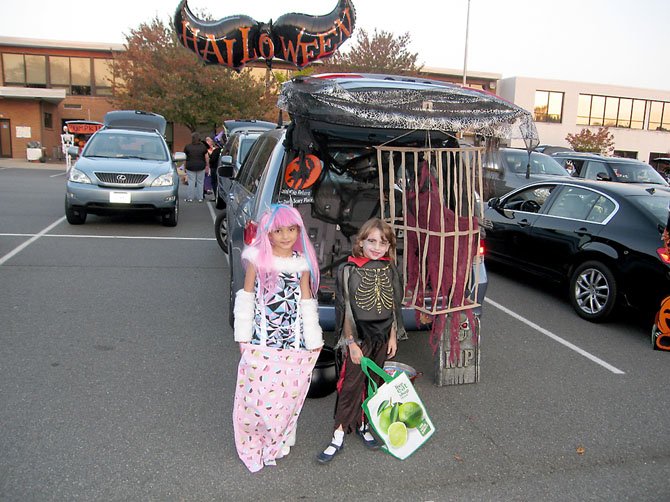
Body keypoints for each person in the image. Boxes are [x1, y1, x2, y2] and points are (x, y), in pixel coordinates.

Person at [232, 204, 323, 473]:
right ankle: (256, 438)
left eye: (292, 229)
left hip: (293, 343)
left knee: (287, 392)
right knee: (257, 395)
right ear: (268, 233)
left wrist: (313, 336)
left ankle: (281, 437)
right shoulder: (257, 260)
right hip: (261, 341)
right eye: (278, 230)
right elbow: (246, 297)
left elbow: (307, 299)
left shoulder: (302, 264)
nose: (286, 236)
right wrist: (243, 337)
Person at [317, 218, 406, 464]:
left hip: (382, 336)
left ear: (389, 246)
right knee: (350, 385)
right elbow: (344, 309)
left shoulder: (390, 269)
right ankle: (338, 433)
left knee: (373, 383)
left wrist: (393, 336)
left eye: (383, 243)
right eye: (372, 241)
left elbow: (393, 305)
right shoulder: (349, 270)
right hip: (358, 337)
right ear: (361, 242)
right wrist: (351, 344)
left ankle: (364, 424)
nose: (377, 247)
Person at [183, 132, 209, 202]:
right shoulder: (203, 147)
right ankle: (200, 198)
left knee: (191, 182)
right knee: (200, 182)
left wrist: (184, 167)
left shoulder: (188, 147)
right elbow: (206, 157)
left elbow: (184, 158)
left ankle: (190, 198)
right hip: (201, 166)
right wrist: (207, 166)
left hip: (190, 166)